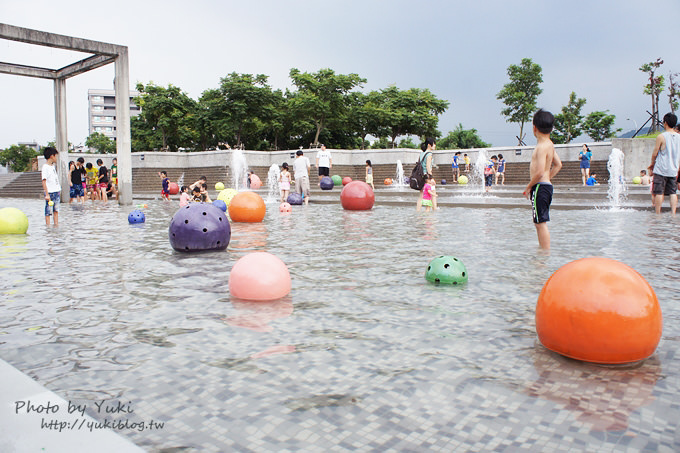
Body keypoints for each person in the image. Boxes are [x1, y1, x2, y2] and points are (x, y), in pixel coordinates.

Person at [524, 109, 562, 250]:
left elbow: (539, 172)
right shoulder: (550, 145)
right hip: (546, 186)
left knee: (540, 223)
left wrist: (529, 186)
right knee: (540, 221)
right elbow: (558, 165)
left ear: (534, 128)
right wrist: (548, 178)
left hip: (539, 186)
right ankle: (543, 251)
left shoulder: (541, 147)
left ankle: (544, 255)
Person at [648, 112, 680, 214]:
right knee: (673, 192)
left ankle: (658, 213)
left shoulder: (661, 136)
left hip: (661, 169)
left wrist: (652, 165)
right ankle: (673, 213)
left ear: (665, 123)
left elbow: (655, 153)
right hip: (673, 169)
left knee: (658, 192)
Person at [41, 147, 61, 226]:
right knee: (48, 211)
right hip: (50, 192)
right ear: (52, 156)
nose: (56, 158)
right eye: (56, 156)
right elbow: (44, 181)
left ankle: (56, 225)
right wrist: (47, 194)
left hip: (56, 191)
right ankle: (48, 226)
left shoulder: (52, 166)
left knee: (56, 210)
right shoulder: (45, 167)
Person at [416, 138, 435, 211]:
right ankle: (435, 209)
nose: (435, 146)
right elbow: (428, 167)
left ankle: (418, 211)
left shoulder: (422, 153)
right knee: (433, 194)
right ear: (429, 145)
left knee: (421, 195)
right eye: (434, 144)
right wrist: (431, 178)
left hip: (421, 176)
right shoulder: (429, 154)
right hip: (427, 177)